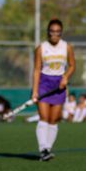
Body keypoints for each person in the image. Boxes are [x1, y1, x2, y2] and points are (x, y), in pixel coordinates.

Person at [31, 19, 75, 161]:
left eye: (58, 32)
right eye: (52, 31)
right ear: (48, 32)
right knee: (43, 117)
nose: (54, 34)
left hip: (58, 84)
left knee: (53, 119)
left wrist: (65, 77)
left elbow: (72, 65)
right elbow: (37, 69)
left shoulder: (66, 47)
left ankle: (47, 149)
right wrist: (34, 90)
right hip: (44, 83)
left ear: (61, 32)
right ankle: (42, 149)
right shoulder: (41, 48)